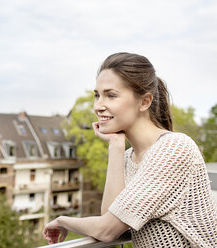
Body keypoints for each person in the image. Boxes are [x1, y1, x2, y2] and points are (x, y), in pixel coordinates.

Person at [43, 52, 217, 247]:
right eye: (97, 95)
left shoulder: (174, 149)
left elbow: (107, 230)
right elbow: (112, 216)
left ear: (144, 102)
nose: (98, 106)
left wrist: (61, 220)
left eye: (111, 95)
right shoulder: (129, 157)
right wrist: (116, 146)